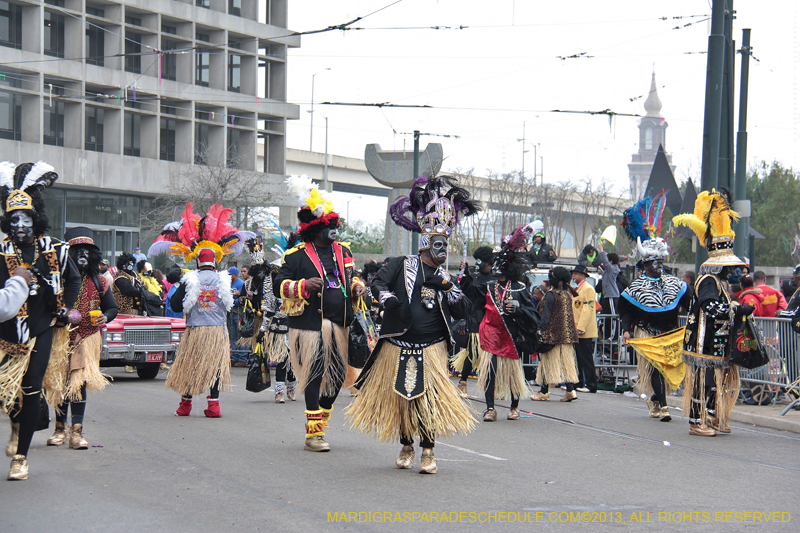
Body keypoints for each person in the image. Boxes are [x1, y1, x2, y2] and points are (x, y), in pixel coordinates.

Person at [347, 174, 479, 474]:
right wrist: (388, 298)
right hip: (398, 344)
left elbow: (464, 309)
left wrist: (449, 288)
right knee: (402, 400)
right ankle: (406, 445)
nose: (442, 250)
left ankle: (428, 451)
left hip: (432, 348)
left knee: (429, 399)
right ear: (425, 243)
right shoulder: (400, 264)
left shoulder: (447, 277)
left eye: (445, 244)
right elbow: (378, 284)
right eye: (437, 243)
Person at [0, 161, 81, 481]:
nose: (20, 225)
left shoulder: (56, 250)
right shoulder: (1, 251)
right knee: (8, 392)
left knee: (32, 387)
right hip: (7, 330)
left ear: (36, 220)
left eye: (25, 218)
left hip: (42, 327)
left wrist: (66, 309)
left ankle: (20, 457)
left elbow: (73, 280)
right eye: (13, 219)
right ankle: (16, 423)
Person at [274, 175, 368, 452]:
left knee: (338, 376)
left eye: (335, 225)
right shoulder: (296, 255)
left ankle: (320, 423)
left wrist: (358, 287)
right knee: (314, 374)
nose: (334, 230)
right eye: (329, 226)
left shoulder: (344, 252)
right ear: (315, 229)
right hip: (310, 326)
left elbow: (351, 278)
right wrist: (303, 285)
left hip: (341, 324)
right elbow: (279, 284)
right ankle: (313, 435)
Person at [148, 202, 254, 418]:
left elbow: (176, 305)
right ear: (215, 259)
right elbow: (228, 305)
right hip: (217, 331)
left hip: (196, 330)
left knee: (190, 364)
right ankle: (213, 406)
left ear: (197, 259)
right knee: (215, 367)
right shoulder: (224, 280)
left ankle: (185, 405)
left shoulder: (190, 279)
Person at [674, 188, 753, 436]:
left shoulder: (719, 282)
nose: (732, 272)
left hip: (715, 342)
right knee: (703, 382)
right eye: (729, 268)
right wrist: (736, 309)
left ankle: (712, 416)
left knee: (713, 383)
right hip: (703, 343)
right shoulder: (708, 280)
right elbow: (710, 307)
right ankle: (697, 422)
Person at [44, 227, 118, 449]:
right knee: (61, 383)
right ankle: (59, 429)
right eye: (77, 251)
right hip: (59, 338)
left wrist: (105, 317)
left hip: (86, 338)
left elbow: (111, 308)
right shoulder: (56, 281)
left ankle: (77, 432)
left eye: (86, 251)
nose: (82, 255)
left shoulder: (100, 282)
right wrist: (66, 315)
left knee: (79, 383)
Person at [618, 194, 690, 422]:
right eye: (653, 263)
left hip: (668, 332)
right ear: (645, 265)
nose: (658, 266)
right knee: (654, 368)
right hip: (645, 332)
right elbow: (627, 310)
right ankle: (665, 406)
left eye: (660, 262)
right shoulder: (636, 287)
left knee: (664, 369)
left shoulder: (675, 284)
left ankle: (657, 400)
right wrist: (627, 330)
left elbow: (687, 303)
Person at [477, 226, 537, 422]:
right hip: (491, 333)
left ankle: (514, 407)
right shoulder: (487, 286)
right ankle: (490, 408)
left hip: (511, 335)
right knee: (490, 371)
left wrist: (519, 311)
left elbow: (532, 314)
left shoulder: (520, 287)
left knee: (513, 373)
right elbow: (475, 306)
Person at [530, 267, 579, 402]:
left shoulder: (551, 295)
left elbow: (546, 316)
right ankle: (570, 390)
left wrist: (541, 331)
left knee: (546, 362)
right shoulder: (566, 294)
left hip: (553, 335)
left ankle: (544, 392)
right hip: (567, 336)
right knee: (565, 364)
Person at [454, 246, 494, 398]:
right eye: (477, 261)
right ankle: (462, 383)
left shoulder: (495, 280)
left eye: (481, 261)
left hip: (491, 321)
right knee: (472, 353)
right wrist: (465, 274)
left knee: (491, 356)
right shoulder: (474, 279)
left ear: (489, 263)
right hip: (475, 320)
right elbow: (466, 296)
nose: (478, 264)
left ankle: (490, 386)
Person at [571, 265, 597, 395]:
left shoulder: (587, 288)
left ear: (582, 275)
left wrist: (581, 327)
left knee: (586, 358)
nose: (573, 276)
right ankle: (578, 382)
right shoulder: (578, 288)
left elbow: (588, 309)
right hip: (577, 328)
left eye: (575, 274)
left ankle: (591, 384)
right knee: (578, 357)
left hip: (583, 330)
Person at [597, 240, 621, 340]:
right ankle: (607, 335)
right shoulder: (608, 270)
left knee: (613, 317)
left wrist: (601, 250)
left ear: (610, 262)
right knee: (607, 317)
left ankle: (613, 336)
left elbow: (606, 262)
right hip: (607, 296)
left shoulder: (612, 269)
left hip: (612, 295)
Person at [227, 266, 247, 367]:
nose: (229, 276)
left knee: (240, 336)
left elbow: (243, 298)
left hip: (239, 313)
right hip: (230, 314)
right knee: (232, 336)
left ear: (235, 275)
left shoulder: (241, 284)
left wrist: (233, 301)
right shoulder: (227, 284)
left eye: (230, 274)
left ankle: (243, 358)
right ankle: (234, 357)